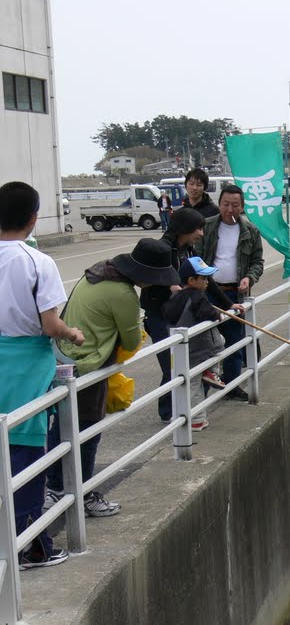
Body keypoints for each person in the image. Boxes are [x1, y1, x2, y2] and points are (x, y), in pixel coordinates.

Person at [47, 238, 180, 518]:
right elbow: (132, 340)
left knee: (62, 427)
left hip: (62, 358)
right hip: (88, 364)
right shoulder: (123, 294)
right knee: (87, 430)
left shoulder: (96, 273)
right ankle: (80, 493)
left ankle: (56, 487)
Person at [0, 181, 84, 569]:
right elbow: (50, 324)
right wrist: (72, 332)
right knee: (26, 451)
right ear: (33, 218)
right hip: (26, 364)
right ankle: (29, 546)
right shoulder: (37, 261)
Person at [141, 207, 245, 422]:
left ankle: (183, 411)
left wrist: (229, 305)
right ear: (185, 228)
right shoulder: (163, 250)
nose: (201, 233)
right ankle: (171, 414)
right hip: (162, 315)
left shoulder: (189, 250)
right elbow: (156, 282)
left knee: (190, 363)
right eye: (198, 229)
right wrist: (172, 287)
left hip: (184, 315)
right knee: (172, 365)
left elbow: (208, 280)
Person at [194, 184, 264, 401]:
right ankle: (201, 391)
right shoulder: (206, 227)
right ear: (219, 204)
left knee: (235, 342)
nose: (230, 209)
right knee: (204, 342)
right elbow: (195, 258)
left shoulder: (250, 231)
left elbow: (257, 262)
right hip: (207, 293)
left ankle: (232, 385)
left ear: (242, 207)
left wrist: (249, 278)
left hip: (235, 294)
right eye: (225, 204)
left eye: (235, 205)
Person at [162, 257, 227, 433]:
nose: (207, 282)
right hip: (199, 348)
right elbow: (209, 313)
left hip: (181, 347)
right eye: (204, 279)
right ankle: (197, 419)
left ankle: (211, 372)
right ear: (192, 280)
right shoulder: (198, 297)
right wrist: (216, 313)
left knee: (186, 382)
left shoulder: (176, 296)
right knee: (194, 384)